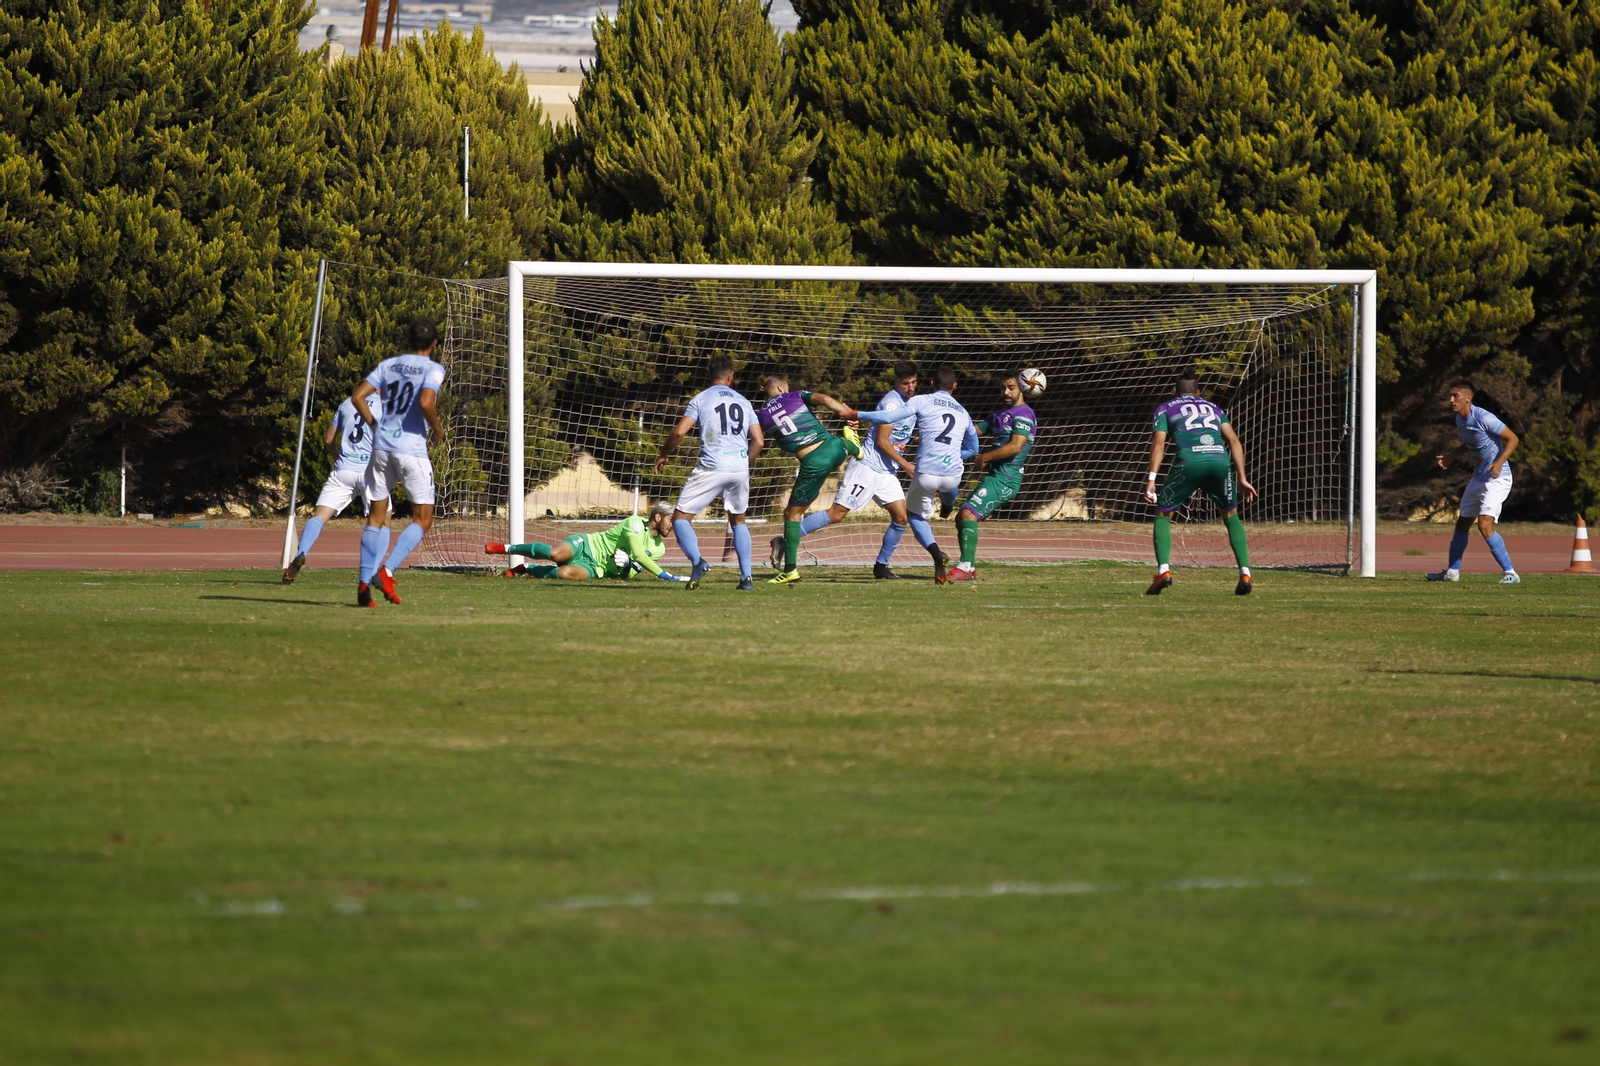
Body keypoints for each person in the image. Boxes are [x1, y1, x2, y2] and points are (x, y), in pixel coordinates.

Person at [788, 360, 920, 579]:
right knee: (837, 514)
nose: (910, 387)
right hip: (867, 466)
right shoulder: (892, 404)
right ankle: (785, 540)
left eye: (914, 382)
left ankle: (881, 566)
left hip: (886, 471)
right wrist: (906, 464)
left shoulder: (913, 404)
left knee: (901, 516)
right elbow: (882, 441)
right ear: (896, 381)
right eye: (906, 383)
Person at [349, 317, 446, 608]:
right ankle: (387, 571)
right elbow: (427, 402)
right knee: (423, 519)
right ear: (434, 344)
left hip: (381, 448)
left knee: (376, 517)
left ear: (407, 341)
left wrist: (374, 425)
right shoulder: (433, 368)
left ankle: (363, 587)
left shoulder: (388, 365)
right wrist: (438, 430)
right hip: (411, 450)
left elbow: (358, 397)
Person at [854, 364, 978, 583]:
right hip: (952, 475)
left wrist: (857, 414)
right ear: (955, 386)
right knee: (950, 486)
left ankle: (936, 553)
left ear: (931, 384)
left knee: (913, 515)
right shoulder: (964, 412)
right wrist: (954, 453)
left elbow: (889, 416)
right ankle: (948, 503)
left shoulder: (922, 400)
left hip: (925, 473)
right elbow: (974, 449)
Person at [654, 355, 764, 591]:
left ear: (709, 375)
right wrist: (744, 461)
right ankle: (746, 578)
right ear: (731, 376)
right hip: (739, 468)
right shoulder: (744, 401)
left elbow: (680, 432)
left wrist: (664, 453)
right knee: (738, 521)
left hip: (712, 466)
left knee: (681, 518)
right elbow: (759, 441)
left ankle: (698, 562)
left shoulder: (701, 399)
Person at [1144, 371, 1257, 596]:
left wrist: (1151, 480)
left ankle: (1164, 572)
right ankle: (1245, 572)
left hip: (1190, 462)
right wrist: (1242, 477)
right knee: (1231, 515)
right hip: (1219, 462)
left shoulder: (1166, 408)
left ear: (1173, 391)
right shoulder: (1214, 408)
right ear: (1198, 392)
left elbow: (1159, 443)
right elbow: (1233, 440)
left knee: (1163, 515)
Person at [757, 374, 862, 585]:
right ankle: (852, 444)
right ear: (780, 388)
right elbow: (823, 399)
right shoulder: (795, 395)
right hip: (835, 447)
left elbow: (759, 439)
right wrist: (844, 411)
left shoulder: (761, 415)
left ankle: (790, 570)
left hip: (814, 462)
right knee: (838, 442)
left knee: (792, 514)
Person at [282, 390, 384, 584]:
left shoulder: (347, 403)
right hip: (370, 471)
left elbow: (329, 440)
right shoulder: (386, 405)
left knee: (319, 515)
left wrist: (339, 459)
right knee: (382, 520)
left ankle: (301, 552)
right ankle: (372, 571)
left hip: (343, 471)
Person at [947, 369, 1038, 582]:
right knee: (962, 517)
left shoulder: (1024, 414)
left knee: (968, 514)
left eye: (1011, 387)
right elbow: (972, 431)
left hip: (1006, 479)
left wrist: (984, 457)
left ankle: (966, 567)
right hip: (994, 476)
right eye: (1003, 387)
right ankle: (967, 566)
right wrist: (933, 436)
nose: (1006, 391)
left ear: (1022, 389)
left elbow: (1016, 446)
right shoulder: (998, 415)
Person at [1427, 380, 1520, 584]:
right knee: (1463, 523)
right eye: (1450, 396)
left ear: (1468, 398)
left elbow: (1513, 439)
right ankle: (1452, 572)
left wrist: (1499, 462)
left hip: (1498, 477)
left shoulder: (1484, 417)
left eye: (1455, 396)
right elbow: (1470, 441)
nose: (1451, 400)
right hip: (1479, 476)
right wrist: (1452, 455)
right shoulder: (1459, 420)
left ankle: (1511, 573)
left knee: (1484, 524)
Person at [485, 501, 685, 581]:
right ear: (657, 517)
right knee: (555, 554)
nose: (673, 526)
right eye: (670, 520)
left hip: (597, 568)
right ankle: (504, 548)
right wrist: (665, 575)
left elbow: (628, 576)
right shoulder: (634, 523)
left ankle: (527, 568)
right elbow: (639, 554)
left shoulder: (659, 549)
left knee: (564, 573)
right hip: (587, 544)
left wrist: (627, 566)